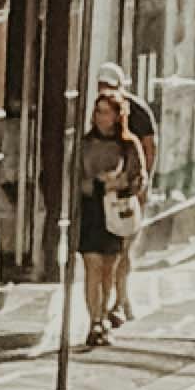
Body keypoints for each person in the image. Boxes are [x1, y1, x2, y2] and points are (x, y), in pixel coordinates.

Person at [72, 76, 151, 349]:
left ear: (118, 116)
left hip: (116, 212)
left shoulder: (129, 145)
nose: (100, 117)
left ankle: (104, 315)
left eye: (106, 112)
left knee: (109, 268)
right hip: (91, 210)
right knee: (91, 265)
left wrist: (121, 184)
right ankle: (94, 321)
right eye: (98, 112)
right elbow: (75, 178)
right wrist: (96, 184)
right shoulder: (84, 144)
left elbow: (140, 178)